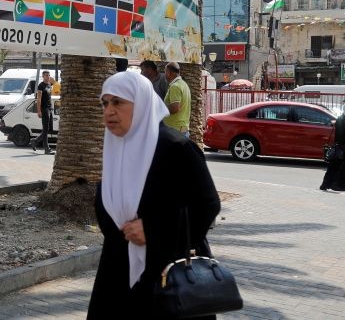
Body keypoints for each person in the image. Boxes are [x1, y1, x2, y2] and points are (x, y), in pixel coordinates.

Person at [88, 72, 221, 318]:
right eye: (104, 103)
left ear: (141, 104)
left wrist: (153, 230)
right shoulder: (116, 149)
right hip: (119, 270)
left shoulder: (175, 148)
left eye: (118, 102)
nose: (109, 111)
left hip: (168, 272)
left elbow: (206, 205)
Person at [162, 62, 191, 139]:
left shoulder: (175, 86)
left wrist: (160, 109)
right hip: (181, 129)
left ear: (168, 73)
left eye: (165, 72)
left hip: (175, 131)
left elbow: (175, 108)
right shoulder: (183, 84)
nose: (164, 74)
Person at [31, 70, 55, 155]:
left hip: (50, 108)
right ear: (43, 76)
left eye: (48, 75)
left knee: (48, 129)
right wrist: (39, 111)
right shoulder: (41, 86)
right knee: (45, 129)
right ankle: (46, 148)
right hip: (44, 109)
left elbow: (55, 82)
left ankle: (35, 141)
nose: (48, 77)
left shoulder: (49, 84)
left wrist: (52, 80)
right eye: (46, 75)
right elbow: (39, 99)